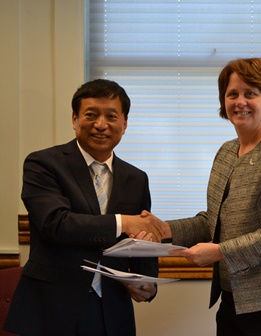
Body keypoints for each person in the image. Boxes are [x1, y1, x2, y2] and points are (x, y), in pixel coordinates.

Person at [145, 58, 261, 335]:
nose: (240, 101)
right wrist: (165, 229)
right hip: (235, 298)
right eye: (232, 94)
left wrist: (219, 252)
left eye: (250, 93)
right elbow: (214, 221)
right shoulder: (226, 152)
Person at [4, 79, 164, 336]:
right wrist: (124, 221)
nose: (101, 124)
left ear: (124, 124)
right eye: (91, 115)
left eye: (112, 116)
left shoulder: (136, 178)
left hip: (112, 310)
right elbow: (55, 224)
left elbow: (142, 238)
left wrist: (148, 283)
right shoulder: (43, 163)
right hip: (52, 308)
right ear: (75, 119)